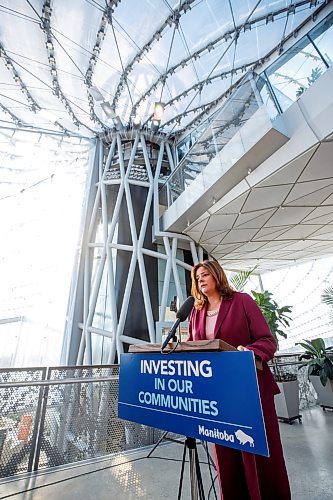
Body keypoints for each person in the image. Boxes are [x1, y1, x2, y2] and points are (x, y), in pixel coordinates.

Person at [187, 260, 291, 500]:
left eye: (204, 275)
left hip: (250, 391)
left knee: (261, 455)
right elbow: (194, 348)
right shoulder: (196, 312)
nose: (200, 280)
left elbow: (267, 340)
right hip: (219, 395)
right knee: (226, 456)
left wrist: (250, 351)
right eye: (197, 277)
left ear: (216, 276)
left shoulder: (242, 301)